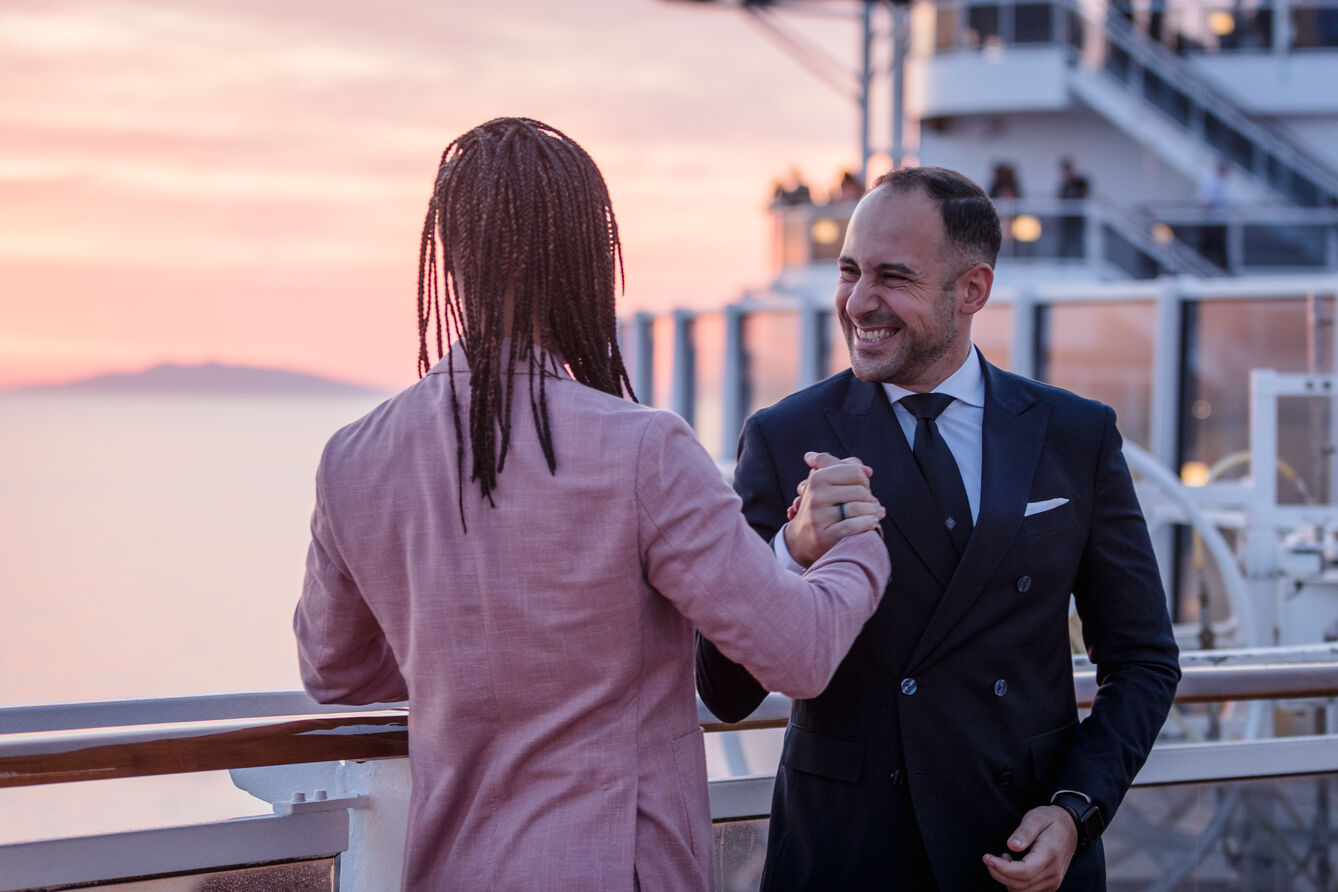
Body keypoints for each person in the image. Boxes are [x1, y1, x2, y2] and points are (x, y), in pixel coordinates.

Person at [293, 117, 892, 891]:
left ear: (452, 257)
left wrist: (465, 662)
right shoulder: (642, 450)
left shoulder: (355, 457)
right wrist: (856, 542)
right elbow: (799, 654)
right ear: (584, 260)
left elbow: (334, 673)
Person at [696, 166, 1181, 891]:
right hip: (847, 857)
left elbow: (1143, 659)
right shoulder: (784, 434)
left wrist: (1076, 810)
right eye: (849, 271)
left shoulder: (1074, 434)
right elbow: (724, 692)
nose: (860, 302)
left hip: (1021, 852)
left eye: (892, 277)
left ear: (972, 291)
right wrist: (788, 556)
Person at [1057, 157, 1091, 258]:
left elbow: (1086, 194)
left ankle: (1081, 258)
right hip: (1066, 217)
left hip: (1078, 216)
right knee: (1065, 239)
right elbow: (1059, 198)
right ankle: (1063, 259)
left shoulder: (1080, 182)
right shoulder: (1064, 184)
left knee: (1078, 239)